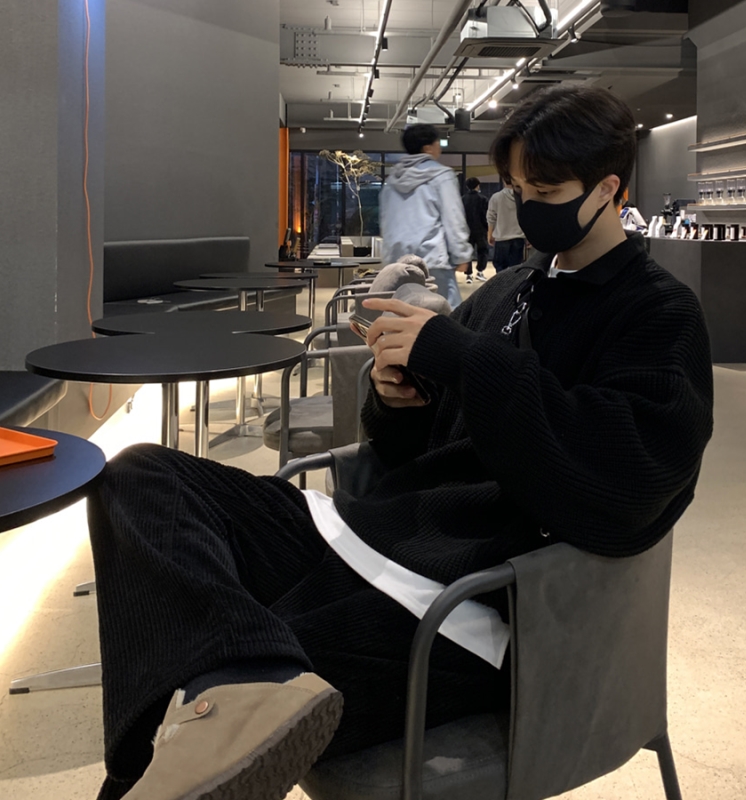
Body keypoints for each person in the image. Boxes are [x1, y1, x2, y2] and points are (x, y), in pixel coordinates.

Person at [86, 84, 714, 800]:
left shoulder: (658, 314)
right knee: (142, 477)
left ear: (608, 189)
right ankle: (239, 686)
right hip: (386, 533)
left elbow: (626, 480)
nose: (527, 206)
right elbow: (411, 450)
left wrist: (462, 358)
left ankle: (214, 712)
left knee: (211, 669)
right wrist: (398, 399)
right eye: (517, 190)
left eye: (546, 191)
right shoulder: (511, 290)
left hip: (471, 602)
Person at [379, 123, 472, 308]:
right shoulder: (442, 176)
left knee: (405, 312)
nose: (439, 147)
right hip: (432, 259)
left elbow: (386, 223)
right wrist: (461, 255)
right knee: (447, 314)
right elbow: (453, 217)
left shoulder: (391, 182)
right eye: (438, 143)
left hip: (397, 262)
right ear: (428, 147)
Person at [487, 180, 527, 272]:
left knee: (500, 266)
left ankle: (502, 281)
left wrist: (490, 233)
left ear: (504, 181)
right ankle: (514, 282)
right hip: (518, 237)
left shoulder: (496, 197)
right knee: (516, 268)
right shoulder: (522, 197)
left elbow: (491, 217)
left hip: (501, 237)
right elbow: (527, 218)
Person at [461, 176, 489, 284]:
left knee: (468, 253)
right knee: (483, 251)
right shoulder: (483, 199)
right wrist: (487, 228)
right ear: (477, 186)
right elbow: (485, 216)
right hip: (480, 229)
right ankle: (480, 272)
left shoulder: (463, 199)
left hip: (466, 231)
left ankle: (468, 275)